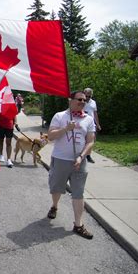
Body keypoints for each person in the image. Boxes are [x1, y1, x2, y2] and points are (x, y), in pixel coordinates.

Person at [46, 91, 96, 239]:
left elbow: (91, 141)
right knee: (56, 188)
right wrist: (66, 129)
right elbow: (50, 136)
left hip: (79, 162)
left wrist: (82, 156)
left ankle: (78, 225)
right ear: (70, 100)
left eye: (84, 100)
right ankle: (54, 206)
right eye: (79, 99)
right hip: (60, 159)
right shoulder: (60, 116)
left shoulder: (88, 119)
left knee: (78, 193)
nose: (82, 102)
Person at [83, 88, 101, 163]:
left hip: (91, 124)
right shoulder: (81, 101)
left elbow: (95, 113)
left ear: (91, 96)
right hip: (82, 123)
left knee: (91, 140)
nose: (87, 98)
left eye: (89, 96)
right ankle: (82, 155)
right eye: (86, 96)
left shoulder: (93, 102)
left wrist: (98, 124)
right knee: (82, 140)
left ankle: (88, 156)